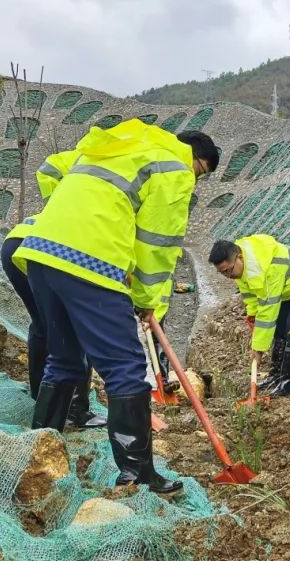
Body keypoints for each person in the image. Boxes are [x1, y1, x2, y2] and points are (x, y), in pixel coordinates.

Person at [14, 120, 219, 493]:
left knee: (64, 359)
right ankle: (137, 475)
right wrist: (146, 300)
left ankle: (37, 456)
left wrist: (75, 216)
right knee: (125, 368)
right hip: (90, 260)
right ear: (194, 157)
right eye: (200, 171)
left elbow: (50, 169)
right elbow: (157, 244)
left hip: (41, 251)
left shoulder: (121, 143)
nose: (195, 179)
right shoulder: (174, 168)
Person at [1, 148, 105, 428]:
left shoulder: (84, 181)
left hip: (18, 243)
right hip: (50, 251)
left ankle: (41, 397)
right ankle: (77, 410)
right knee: (75, 330)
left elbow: (49, 168)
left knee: (44, 326)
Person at [209, 234, 290, 397]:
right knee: (279, 328)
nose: (228, 276)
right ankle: (275, 375)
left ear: (239, 257)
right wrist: (253, 317)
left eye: (228, 271)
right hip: (288, 289)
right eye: (222, 273)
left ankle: (287, 382)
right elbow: (251, 295)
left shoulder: (267, 268)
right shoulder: (242, 266)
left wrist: (258, 348)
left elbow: (268, 313)